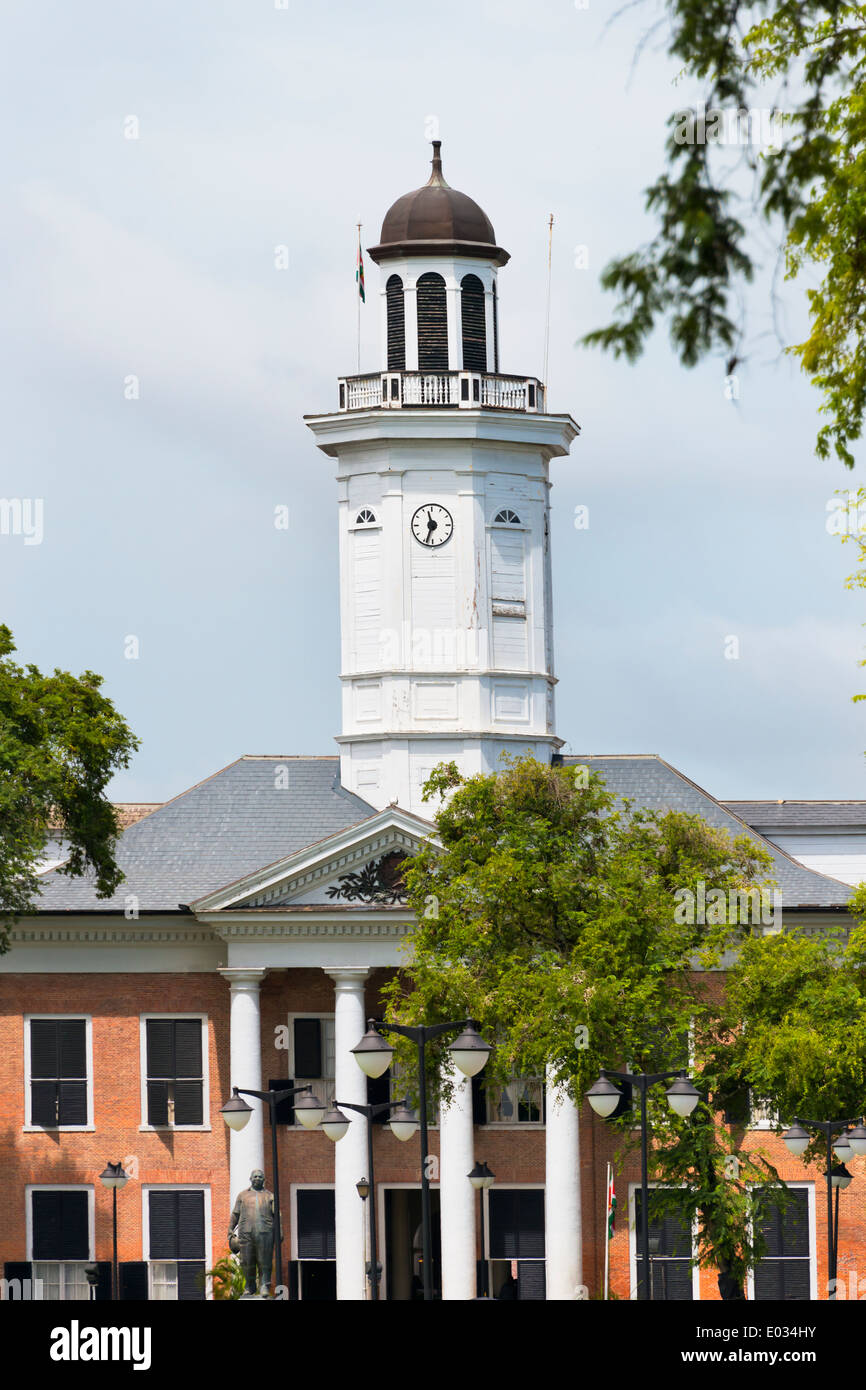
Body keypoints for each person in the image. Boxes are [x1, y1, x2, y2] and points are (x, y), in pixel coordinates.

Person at [228, 1169, 275, 1297]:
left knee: (264, 1261)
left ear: (264, 1180)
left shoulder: (270, 1196)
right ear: (250, 1179)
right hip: (246, 1233)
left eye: (260, 1177)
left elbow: (277, 1215)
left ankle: (264, 1285)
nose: (257, 1179)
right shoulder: (242, 1195)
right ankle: (249, 1286)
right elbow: (235, 1214)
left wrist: (279, 1232)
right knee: (247, 1261)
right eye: (255, 1177)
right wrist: (230, 1229)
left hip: (265, 1233)